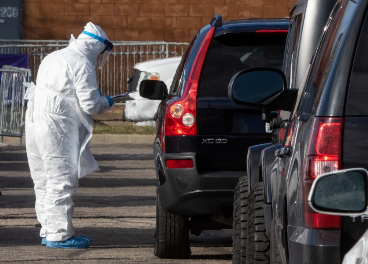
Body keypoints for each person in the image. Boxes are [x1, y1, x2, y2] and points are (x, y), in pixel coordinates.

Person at [24, 22, 114, 249]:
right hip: (57, 124)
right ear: (95, 48)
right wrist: (108, 101)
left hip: (34, 119)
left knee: (42, 178)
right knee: (61, 177)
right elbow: (91, 105)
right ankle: (60, 235)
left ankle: (48, 229)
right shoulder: (82, 64)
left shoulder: (54, 56)